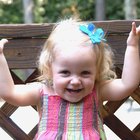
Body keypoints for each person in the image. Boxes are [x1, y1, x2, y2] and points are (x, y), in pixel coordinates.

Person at [0, 18, 140, 140]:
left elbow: (127, 84)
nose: (75, 81)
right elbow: (9, 93)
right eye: (65, 72)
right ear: (50, 69)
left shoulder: (96, 91)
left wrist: (133, 46)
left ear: (96, 71)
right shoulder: (42, 92)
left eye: (85, 73)